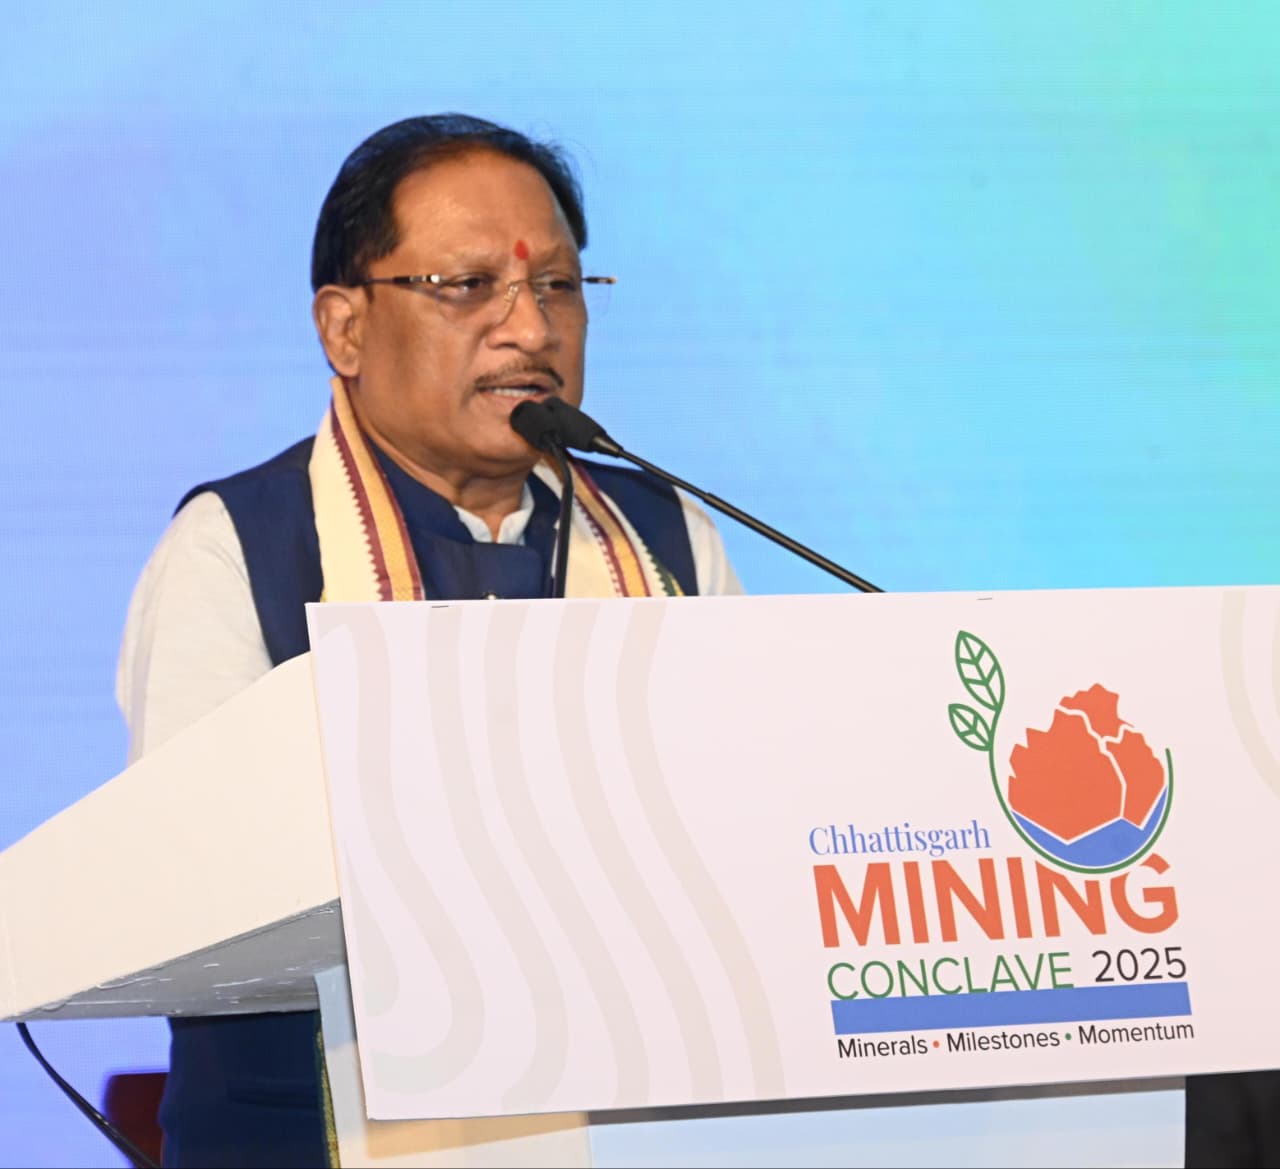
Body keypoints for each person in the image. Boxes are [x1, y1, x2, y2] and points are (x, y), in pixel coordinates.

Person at [116, 113, 742, 1167]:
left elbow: (748, 832)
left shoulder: (667, 537)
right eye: (467, 286)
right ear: (344, 328)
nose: (530, 328)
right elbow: (196, 894)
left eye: (556, 285)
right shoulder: (241, 547)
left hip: (639, 1123)